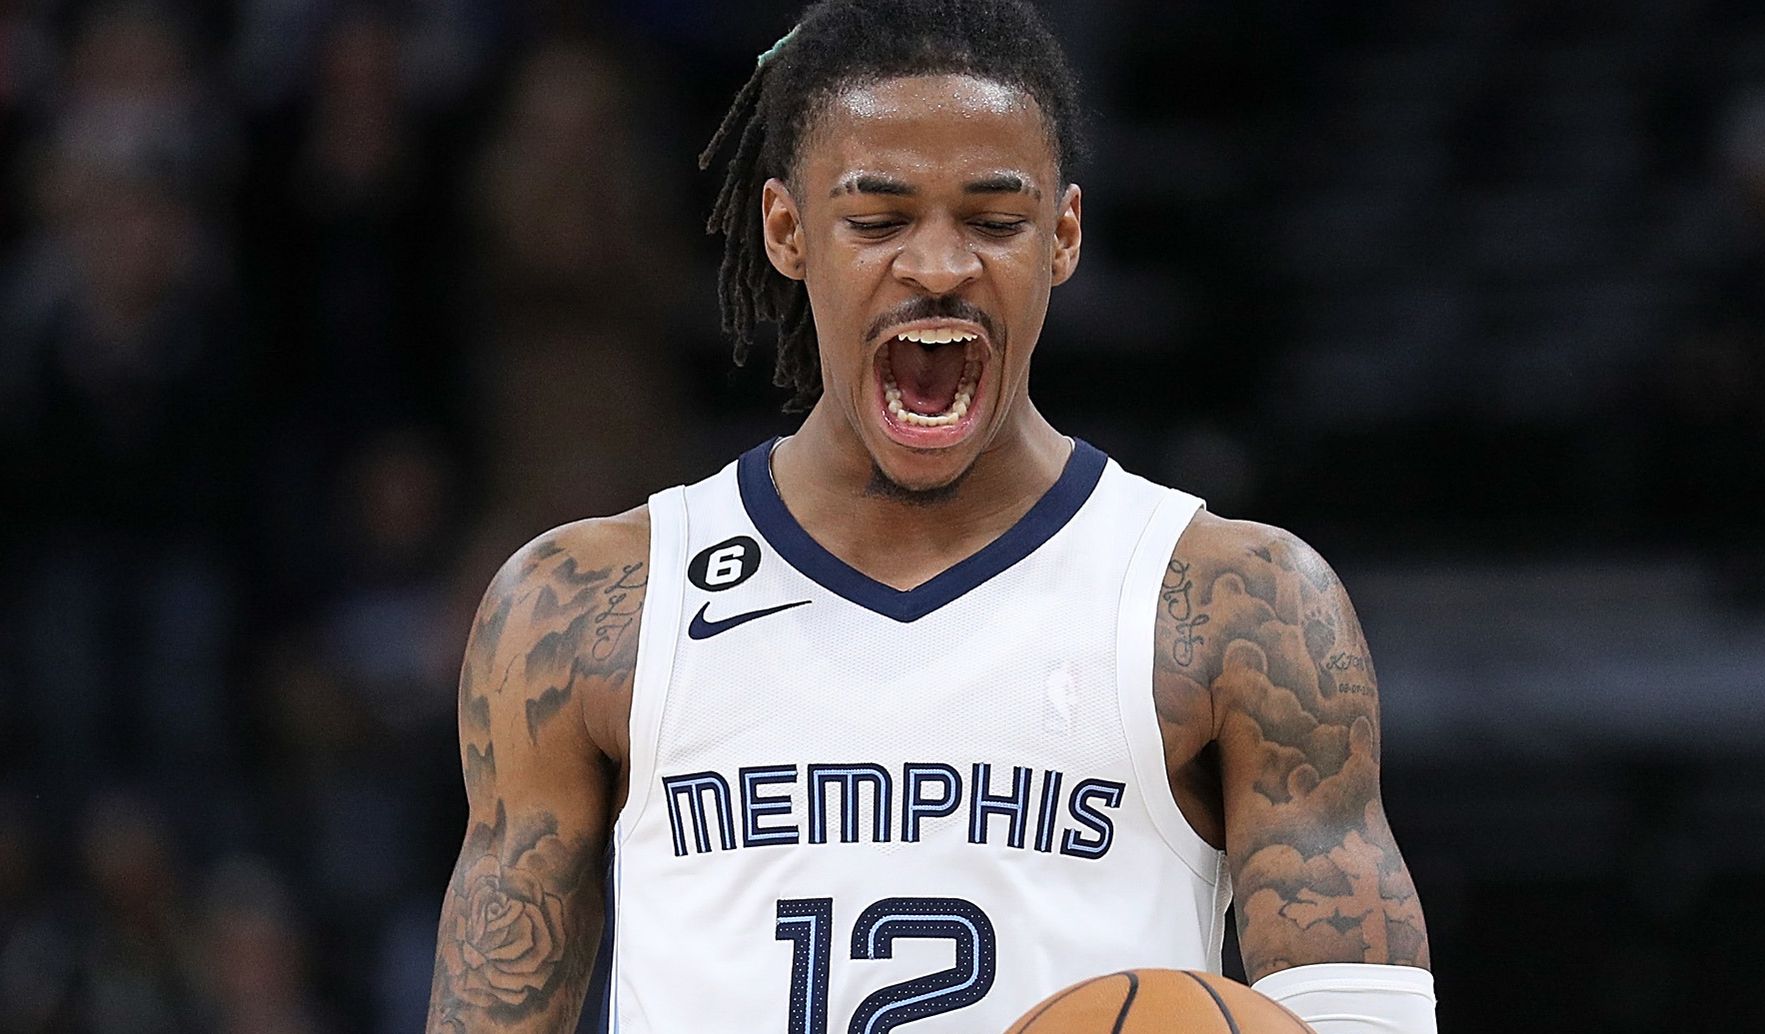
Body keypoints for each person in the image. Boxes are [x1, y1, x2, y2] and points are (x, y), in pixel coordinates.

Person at [423, 2, 1436, 1031]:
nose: (940, 267)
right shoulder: (580, 608)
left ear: (1063, 236)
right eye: (879, 219)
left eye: (994, 221)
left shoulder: (1243, 607)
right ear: (786, 229)